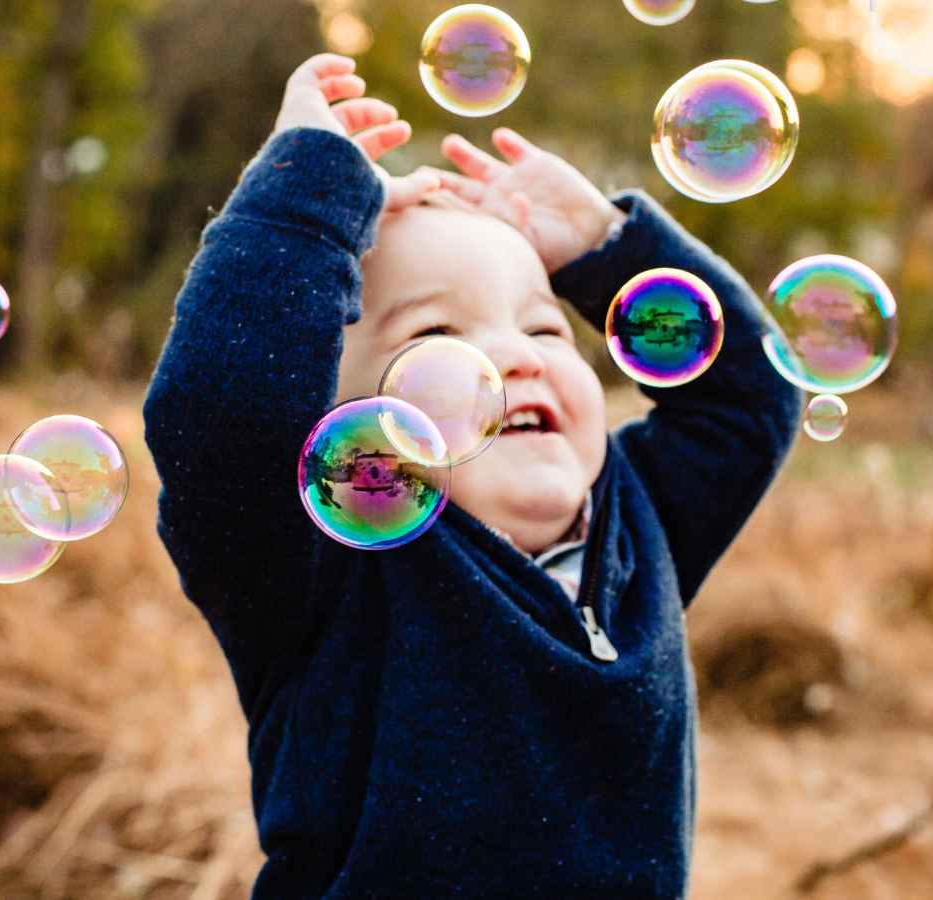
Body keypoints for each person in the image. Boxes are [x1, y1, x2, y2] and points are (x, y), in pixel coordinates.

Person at [143, 53, 802, 898]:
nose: (513, 360)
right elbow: (224, 410)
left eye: (546, 329)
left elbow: (749, 400)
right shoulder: (328, 569)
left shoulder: (640, 527)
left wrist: (605, 249)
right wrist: (305, 193)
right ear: (337, 434)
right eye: (437, 336)